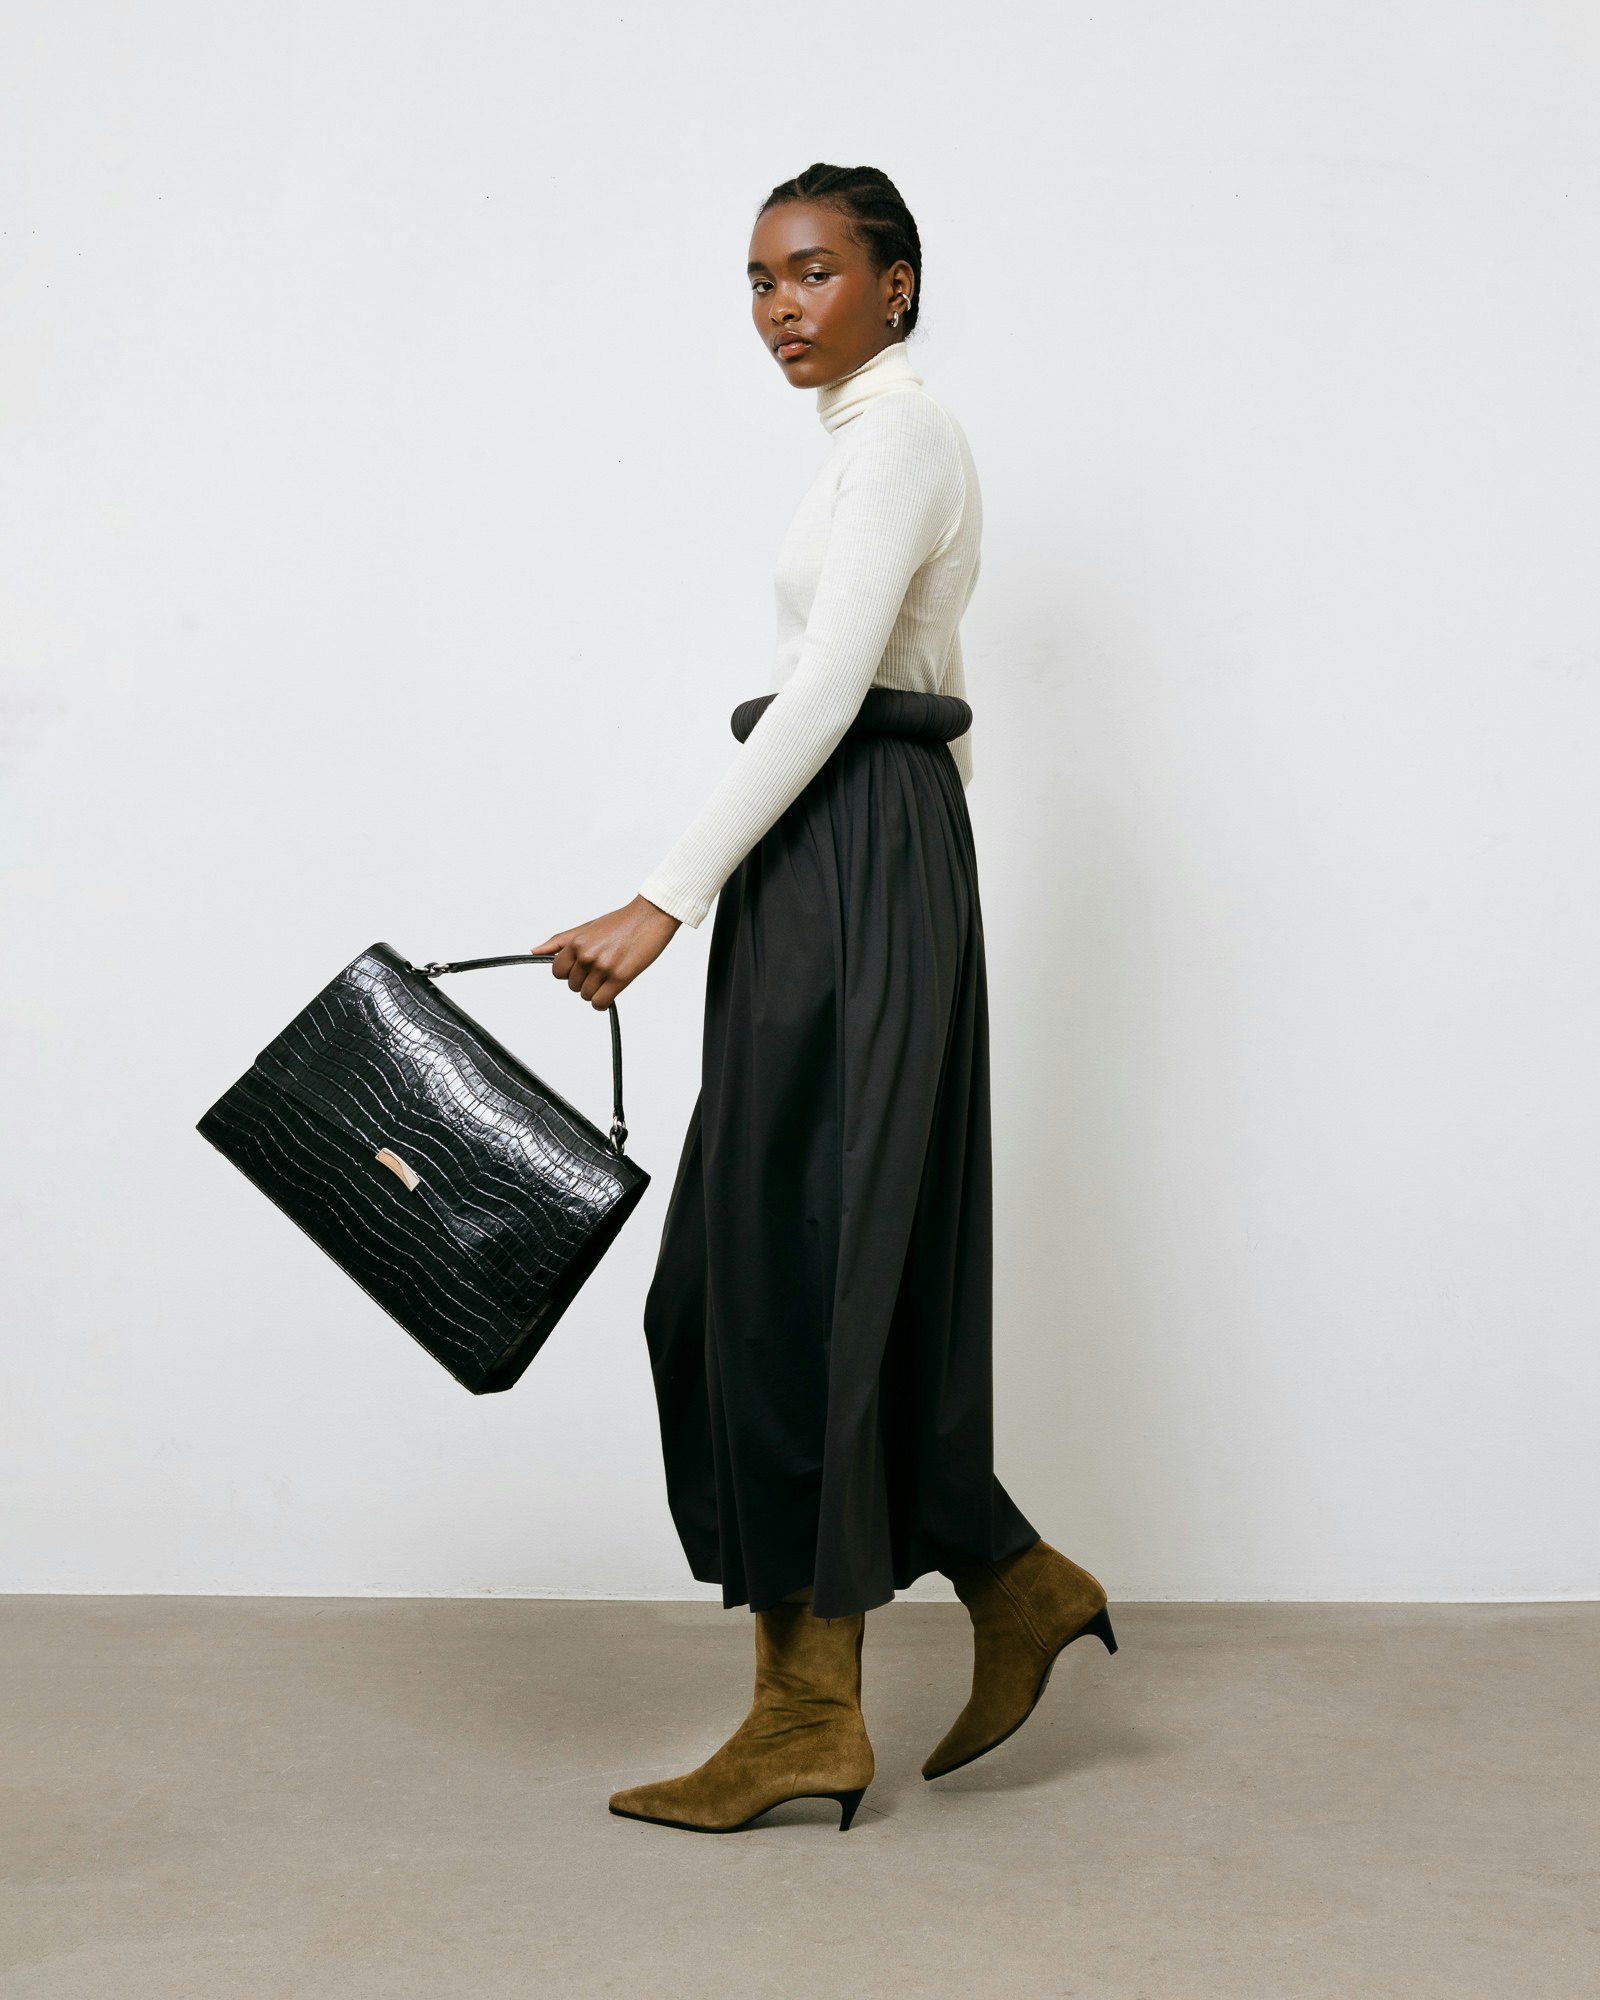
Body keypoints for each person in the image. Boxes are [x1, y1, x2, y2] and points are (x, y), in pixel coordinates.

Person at [530, 162, 1116, 1834]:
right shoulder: (870, 449)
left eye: (812, 273)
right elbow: (921, 700)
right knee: (783, 1256)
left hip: (848, 839)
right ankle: (1006, 1582)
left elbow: (834, 693)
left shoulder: (905, 438)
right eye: (759, 281)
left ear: (898, 285)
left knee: (799, 1257)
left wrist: (665, 894)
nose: (782, 307)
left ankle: (808, 1715)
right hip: (856, 855)